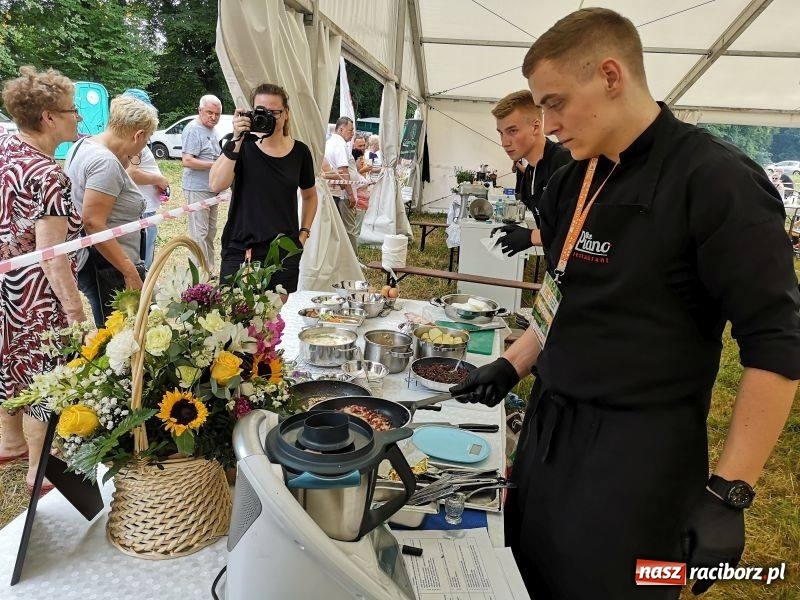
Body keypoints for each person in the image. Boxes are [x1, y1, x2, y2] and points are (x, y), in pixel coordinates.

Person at [451, 8, 800, 599]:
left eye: (555, 102)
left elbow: (777, 344)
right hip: (548, 437)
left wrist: (729, 491)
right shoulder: (572, 179)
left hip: (638, 459)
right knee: (527, 579)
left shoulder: (715, 180)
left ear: (611, 75)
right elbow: (563, 294)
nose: (548, 123)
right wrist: (513, 363)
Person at [0, 66, 86, 495]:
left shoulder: (5, 152)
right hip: (36, 296)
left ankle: (9, 442)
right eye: (73, 111)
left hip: (5, 287)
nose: (79, 120)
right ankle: (39, 469)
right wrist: (74, 308)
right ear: (49, 117)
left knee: (11, 362)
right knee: (45, 380)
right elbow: (53, 258)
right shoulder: (48, 173)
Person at [209, 83, 317, 293]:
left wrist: (303, 235)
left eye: (274, 112)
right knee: (234, 320)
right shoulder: (241, 145)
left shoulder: (300, 153)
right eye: (261, 111)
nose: (267, 117)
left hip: (283, 252)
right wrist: (237, 138)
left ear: (286, 113)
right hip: (240, 249)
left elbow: (310, 196)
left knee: (275, 322)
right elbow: (215, 184)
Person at [66, 95, 155, 326]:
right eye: (147, 139)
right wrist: (129, 271)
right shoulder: (104, 162)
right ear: (138, 135)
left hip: (96, 261)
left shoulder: (83, 146)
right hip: (108, 267)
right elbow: (94, 222)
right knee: (120, 336)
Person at [491, 90, 571, 257]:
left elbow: (579, 228)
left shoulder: (564, 162)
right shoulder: (529, 173)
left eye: (512, 131)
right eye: (501, 133)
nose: (504, 142)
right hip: (554, 268)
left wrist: (532, 236)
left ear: (535, 127)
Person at [122, 88, 169, 269]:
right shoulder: (135, 140)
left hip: (143, 207)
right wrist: (159, 180)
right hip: (143, 209)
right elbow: (132, 173)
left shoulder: (131, 139)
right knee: (144, 260)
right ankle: (145, 293)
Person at [182, 94, 222, 271]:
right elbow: (187, 161)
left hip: (212, 188)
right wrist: (216, 165)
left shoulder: (213, 131)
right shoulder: (193, 129)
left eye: (217, 114)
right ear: (200, 111)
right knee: (199, 233)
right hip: (197, 188)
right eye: (209, 113)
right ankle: (198, 274)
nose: (213, 117)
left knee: (210, 232)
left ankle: (209, 270)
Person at [324, 116, 359, 253]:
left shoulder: (330, 142)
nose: (352, 134)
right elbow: (343, 171)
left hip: (336, 192)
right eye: (350, 130)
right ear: (341, 129)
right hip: (341, 194)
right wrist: (350, 194)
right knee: (347, 228)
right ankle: (352, 259)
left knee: (340, 228)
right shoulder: (339, 145)